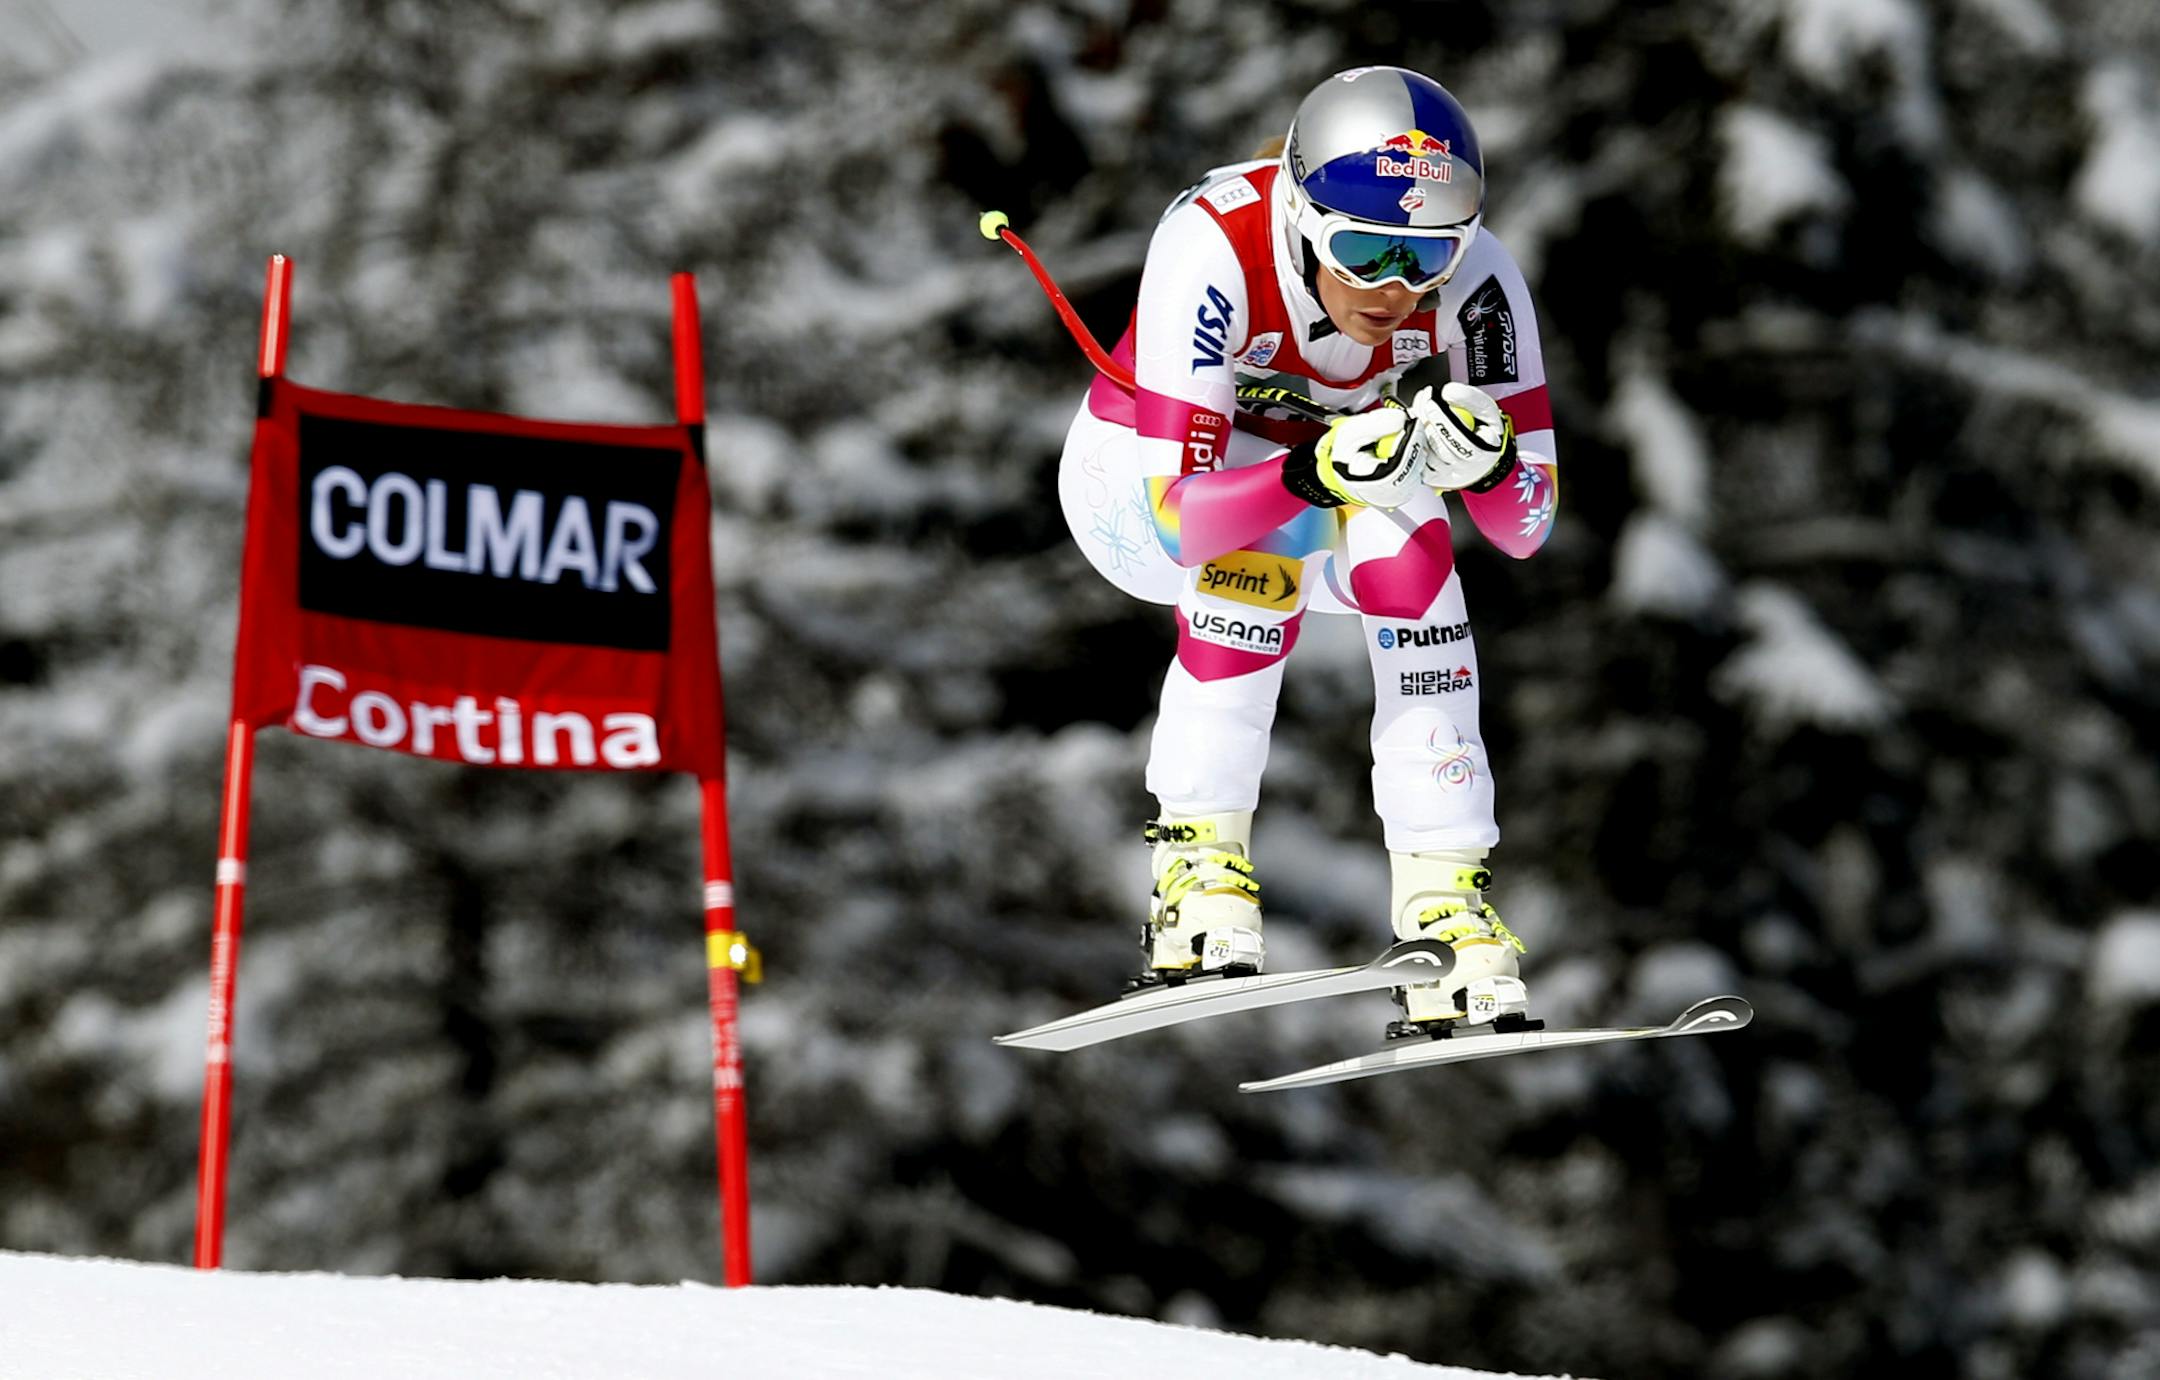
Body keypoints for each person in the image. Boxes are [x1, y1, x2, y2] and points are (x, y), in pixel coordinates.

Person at [1055, 65, 1559, 1035]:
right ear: (1300, 213)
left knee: (1415, 542)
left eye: (1428, 259)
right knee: (1279, 535)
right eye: (1364, 251)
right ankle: (1195, 865)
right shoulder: (1214, 243)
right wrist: (1310, 478)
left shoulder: (1479, 281)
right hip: (1136, 493)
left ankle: (1444, 906)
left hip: (1302, 477)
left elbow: (1525, 528)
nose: (1397, 291)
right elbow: (1176, 521)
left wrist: (1491, 462)